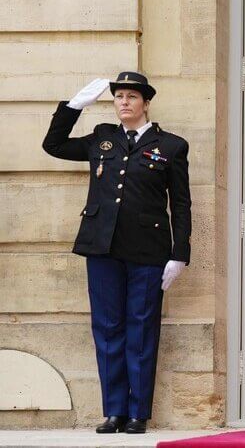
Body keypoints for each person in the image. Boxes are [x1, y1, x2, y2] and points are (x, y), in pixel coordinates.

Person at [42, 72, 191, 434]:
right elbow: (54, 145)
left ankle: (138, 412)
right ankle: (114, 411)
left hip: (147, 251)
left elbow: (182, 204)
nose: (123, 102)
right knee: (108, 329)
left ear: (145, 103)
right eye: (119, 96)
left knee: (141, 330)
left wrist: (179, 252)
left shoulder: (170, 145)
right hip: (102, 246)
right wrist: (73, 106)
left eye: (131, 96)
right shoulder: (102, 139)